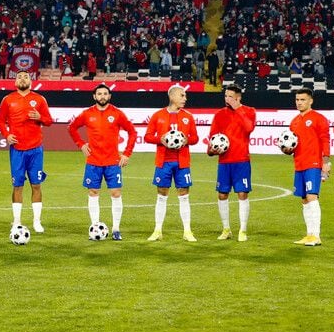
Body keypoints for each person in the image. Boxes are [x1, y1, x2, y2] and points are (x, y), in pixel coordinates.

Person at [68, 84, 136, 240]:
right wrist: (81, 144)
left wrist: (127, 153)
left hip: (113, 162)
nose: (102, 96)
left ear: (109, 96)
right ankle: (95, 227)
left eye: (105, 93)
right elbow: (71, 128)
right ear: (94, 96)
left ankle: (116, 229)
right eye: (99, 94)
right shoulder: (87, 114)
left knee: (116, 193)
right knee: (93, 193)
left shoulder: (117, 114)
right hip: (93, 161)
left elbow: (132, 132)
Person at [0, 71, 53, 232]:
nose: (22, 79)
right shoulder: (8, 99)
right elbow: (0, 121)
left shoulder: (39, 99)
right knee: (17, 186)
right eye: (19, 77)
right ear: (15, 81)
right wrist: (7, 135)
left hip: (35, 149)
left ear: (31, 81)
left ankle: (36, 221)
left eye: (26, 77)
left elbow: (49, 121)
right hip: (17, 150)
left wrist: (40, 117)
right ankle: (17, 221)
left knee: (36, 185)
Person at [144, 85, 200, 242]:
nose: (185, 98)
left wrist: (186, 140)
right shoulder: (158, 115)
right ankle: (157, 230)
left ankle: (187, 231)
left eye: (185, 96)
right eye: (182, 95)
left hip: (182, 162)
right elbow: (147, 136)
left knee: (184, 196)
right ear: (172, 97)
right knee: (161, 196)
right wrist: (160, 140)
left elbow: (195, 138)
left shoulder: (188, 116)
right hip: (164, 162)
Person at [281, 88, 331, 246]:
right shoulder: (294, 121)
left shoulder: (318, 118)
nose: (299, 102)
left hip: (314, 163)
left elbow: (325, 140)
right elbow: (292, 145)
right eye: (297, 100)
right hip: (299, 164)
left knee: (312, 196)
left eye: (302, 100)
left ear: (310, 101)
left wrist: (326, 162)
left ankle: (316, 235)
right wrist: (286, 150)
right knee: (304, 199)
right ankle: (309, 234)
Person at [208, 84, 257, 242]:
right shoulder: (219, 115)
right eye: (225, 96)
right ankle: (226, 229)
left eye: (230, 96)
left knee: (242, 194)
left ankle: (242, 230)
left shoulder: (249, 111)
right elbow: (212, 138)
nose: (226, 99)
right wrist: (211, 150)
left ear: (238, 97)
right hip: (224, 162)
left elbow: (249, 128)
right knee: (222, 194)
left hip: (241, 160)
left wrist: (239, 109)